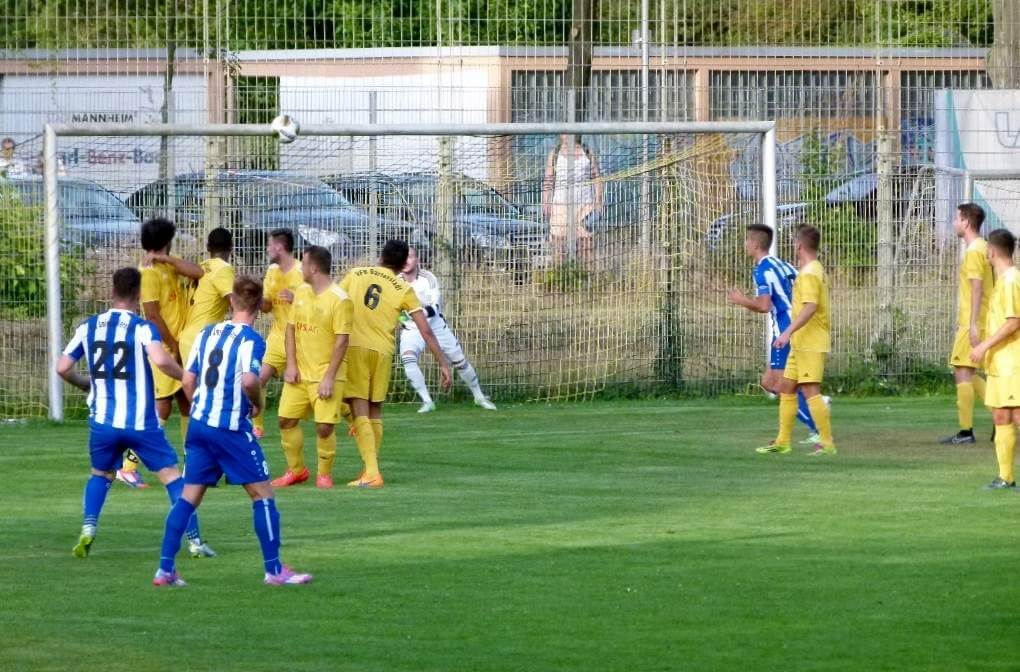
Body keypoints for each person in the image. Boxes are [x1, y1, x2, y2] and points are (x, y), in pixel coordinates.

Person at [154, 276, 312, 586]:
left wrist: (200, 405)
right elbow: (250, 381)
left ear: (231, 302)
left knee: (189, 497)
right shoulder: (252, 339)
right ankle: (274, 570)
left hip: (199, 425)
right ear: (259, 307)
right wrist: (257, 404)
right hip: (229, 427)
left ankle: (165, 569)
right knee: (263, 494)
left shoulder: (206, 333)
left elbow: (187, 380)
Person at [55, 267, 211, 559]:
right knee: (174, 479)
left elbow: (62, 367)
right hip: (140, 422)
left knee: (101, 474)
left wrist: (85, 383)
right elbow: (161, 360)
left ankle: (88, 529)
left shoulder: (88, 326)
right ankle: (195, 542)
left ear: (112, 292)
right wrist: (186, 376)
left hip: (102, 421)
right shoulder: (141, 327)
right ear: (138, 295)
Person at [339, 239, 452, 488]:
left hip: (355, 347)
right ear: (402, 265)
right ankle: (370, 469)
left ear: (380, 256)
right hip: (383, 351)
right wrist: (443, 363)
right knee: (374, 410)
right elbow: (426, 330)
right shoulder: (402, 288)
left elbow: (334, 301)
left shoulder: (355, 274)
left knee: (358, 409)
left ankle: (371, 472)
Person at [116, 217, 203, 489]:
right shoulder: (148, 274)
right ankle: (128, 466)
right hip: (164, 347)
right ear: (168, 239)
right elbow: (152, 314)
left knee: (186, 402)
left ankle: (193, 466)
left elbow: (198, 272)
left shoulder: (167, 264)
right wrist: (172, 345)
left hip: (178, 344)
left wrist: (169, 261)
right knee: (160, 407)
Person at [727, 224, 823, 445]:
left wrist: (742, 300)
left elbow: (763, 305)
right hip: (799, 328)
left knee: (779, 385)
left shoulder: (762, 270)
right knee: (775, 383)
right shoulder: (783, 264)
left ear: (756, 244)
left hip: (785, 331)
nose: (745, 245)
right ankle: (812, 418)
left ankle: (817, 427)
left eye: (747, 241)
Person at [272, 245, 352, 489]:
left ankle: (324, 474)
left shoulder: (340, 299)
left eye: (304, 264)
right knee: (285, 420)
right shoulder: (302, 293)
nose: (301, 268)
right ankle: (296, 471)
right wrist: (291, 365)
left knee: (324, 427)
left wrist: (328, 377)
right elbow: (290, 330)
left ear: (314, 268)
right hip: (299, 374)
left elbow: (342, 340)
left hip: (326, 374)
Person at [756, 225, 835, 456]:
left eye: (793, 243)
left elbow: (810, 307)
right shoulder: (811, 269)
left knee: (810, 390)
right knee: (786, 387)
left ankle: (827, 443)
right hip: (801, 343)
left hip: (810, 342)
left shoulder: (810, 273)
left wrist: (787, 332)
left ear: (798, 245)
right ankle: (782, 441)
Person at [399, 247, 496, 413]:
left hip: (435, 325)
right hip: (412, 329)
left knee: (459, 361)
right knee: (408, 358)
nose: (406, 261)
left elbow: (435, 306)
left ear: (417, 260)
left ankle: (479, 396)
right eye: (403, 257)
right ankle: (427, 401)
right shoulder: (395, 281)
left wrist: (419, 313)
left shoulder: (428, 278)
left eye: (410, 257)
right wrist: (405, 319)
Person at [969, 229, 1020, 490]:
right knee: (1001, 417)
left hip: (1014, 363)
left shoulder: (1011, 280)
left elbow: (1014, 322)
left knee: (1017, 416)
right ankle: (1005, 477)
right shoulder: (1004, 280)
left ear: (991, 251)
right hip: (1001, 363)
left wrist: (985, 345)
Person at [941, 203, 994, 445]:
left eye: (956, 218)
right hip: (984, 318)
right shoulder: (984, 247)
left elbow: (976, 287)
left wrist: (971, 323)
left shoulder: (974, 251)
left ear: (966, 222)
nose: (954, 223)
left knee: (962, 370)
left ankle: (968, 430)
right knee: (966, 370)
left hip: (974, 320)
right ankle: (997, 415)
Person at [252, 229, 304, 439]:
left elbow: (318, 304)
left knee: (315, 388)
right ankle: (257, 426)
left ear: (279, 247)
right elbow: (266, 307)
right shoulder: (272, 272)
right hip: (277, 337)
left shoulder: (302, 272)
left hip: (301, 340)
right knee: (257, 379)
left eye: (269, 244)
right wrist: (256, 296)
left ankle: (352, 416)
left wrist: (297, 298)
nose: (267, 248)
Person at [175, 227, 235, 377]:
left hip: (186, 338)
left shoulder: (199, 267)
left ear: (208, 247)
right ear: (231, 247)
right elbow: (237, 305)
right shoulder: (224, 269)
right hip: (203, 339)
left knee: (196, 395)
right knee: (208, 395)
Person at [541, 134, 603, 264]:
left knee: (587, 248)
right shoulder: (555, 154)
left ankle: (587, 280)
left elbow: (597, 178)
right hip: (560, 207)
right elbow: (548, 180)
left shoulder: (587, 152)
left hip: (585, 207)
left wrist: (598, 202)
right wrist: (546, 202)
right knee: (559, 248)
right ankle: (559, 280)